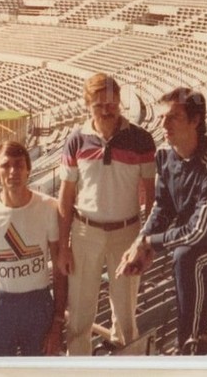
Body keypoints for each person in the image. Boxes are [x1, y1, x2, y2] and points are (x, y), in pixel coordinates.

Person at [116, 87, 207, 354]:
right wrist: (142, 243)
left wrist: (151, 241)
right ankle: (193, 342)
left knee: (188, 258)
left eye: (172, 117)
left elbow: (199, 232)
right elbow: (163, 207)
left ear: (195, 121)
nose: (162, 124)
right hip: (194, 237)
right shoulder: (164, 154)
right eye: (162, 117)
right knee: (184, 255)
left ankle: (191, 344)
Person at [56, 73, 157, 355]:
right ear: (88, 104)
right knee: (79, 316)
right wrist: (63, 247)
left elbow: (151, 196)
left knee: (126, 316)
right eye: (99, 103)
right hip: (85, 232)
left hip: (127, 233)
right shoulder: (76, 141)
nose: (106, 109)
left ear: (119, 102)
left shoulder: (141, 139)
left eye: (111, 102)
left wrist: (145, 242)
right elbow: (66, 197)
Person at [0, 141, 67, 356]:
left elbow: (59, 271)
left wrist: (57, 324)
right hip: (0, 307)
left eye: (19, 165)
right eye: (5, 165)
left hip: (38, 304)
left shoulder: (48, 208)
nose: (13, 171)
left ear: (28, 169)